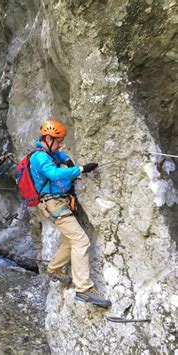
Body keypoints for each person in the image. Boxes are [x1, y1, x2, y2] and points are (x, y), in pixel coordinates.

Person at [30, 119, 112, 308]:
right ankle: (83, 289)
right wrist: (80, 169)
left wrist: (65, 158)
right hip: (53, 204)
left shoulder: (49, 153)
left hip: (58, 202)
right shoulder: (39, 158)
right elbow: (54, 175)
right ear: (48, 138)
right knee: (81, 240)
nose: (60, 144)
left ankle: (54, 268)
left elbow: (59, 155)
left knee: (70, 239)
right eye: (58, 141)